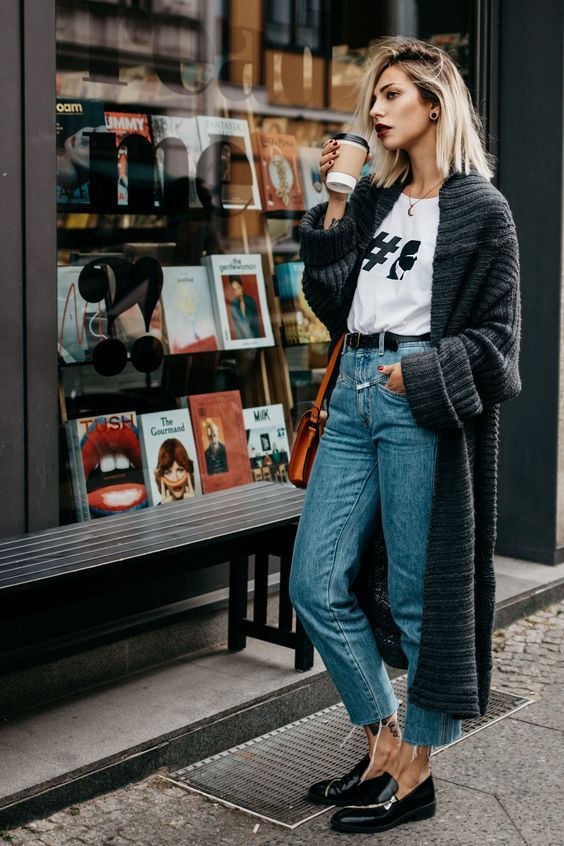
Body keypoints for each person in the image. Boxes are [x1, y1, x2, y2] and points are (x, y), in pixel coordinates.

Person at [289, 36, 522, 835]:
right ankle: (381, 741)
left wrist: (415, 376)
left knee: (423, 599)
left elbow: (499, 346)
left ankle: (417, 773)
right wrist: (335, 198)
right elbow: (328, 298)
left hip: (411, 398)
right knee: (315, 585)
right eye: (374, 98)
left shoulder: (482, 210)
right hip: (351, 399)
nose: (376, 110)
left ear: (434, 103)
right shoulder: (381, 203)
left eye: (391, 95)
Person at [154, 438, 195, 503]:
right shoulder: (155, 512)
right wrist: (165, 511)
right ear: (161, 477)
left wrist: (193, 506)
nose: (176, 479)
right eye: (168, 473)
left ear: (188, 472)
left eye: (180, 470)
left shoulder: (202, 506)